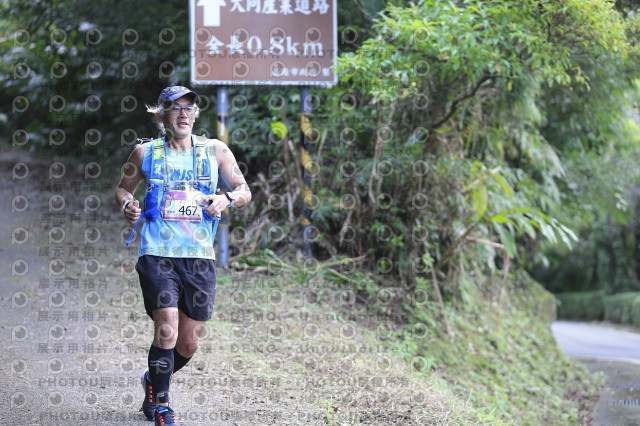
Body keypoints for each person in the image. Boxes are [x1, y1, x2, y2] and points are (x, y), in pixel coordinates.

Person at [115, 86, 251, 426]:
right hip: (157, 253)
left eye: (189, 108)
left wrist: (226, 199)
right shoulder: (145, 153)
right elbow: (123, 189)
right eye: (175, 108)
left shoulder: (215, 150)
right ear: (161, 115)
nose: (183, 114)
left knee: (189, 343)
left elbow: (243, 190)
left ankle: (153, 380)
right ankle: (162, 404)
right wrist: (128, 204)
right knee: (167, 329)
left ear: (195, 114)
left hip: (198, 257)